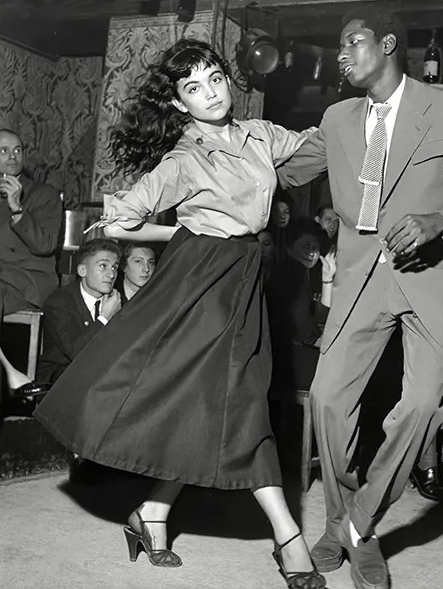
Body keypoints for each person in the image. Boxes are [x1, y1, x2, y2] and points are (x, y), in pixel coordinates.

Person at [34, 38, 325, 589]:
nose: (210, 93)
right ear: (178, 104)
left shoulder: (260, 135)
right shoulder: (184, 159)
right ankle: (289, 537)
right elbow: (119, 221)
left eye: (214, 78)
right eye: (193, 88)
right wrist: (188, 232)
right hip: (200, 280)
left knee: (209, 404)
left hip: (243, 278)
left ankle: (153, 513)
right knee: (237, 405)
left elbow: (317, 149)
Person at [277, 7, 443, 589]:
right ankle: (346, 522)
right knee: (328, 402)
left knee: (419, 407)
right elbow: (283, 170)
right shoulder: (336, 118)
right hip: (361, 282)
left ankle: (357, 524)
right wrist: (220, 144)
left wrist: (442, 220)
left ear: (388, 45)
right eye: (338, 47)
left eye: (351, 42)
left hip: (433, 278)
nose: (341, 54)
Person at [0, 129, 62, 396]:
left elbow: (45, 245)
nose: (12, 156)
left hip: (26, 280)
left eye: (18, 150)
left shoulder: (43, 195)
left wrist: (17, 208)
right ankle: (7, 372)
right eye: (3, 150)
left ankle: (6, 373)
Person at [37, 239, 122, 386]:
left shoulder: (118, 301)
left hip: (101, 376)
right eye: (103, 266)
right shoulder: (59, 302)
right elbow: (76, 352)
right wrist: (104, 318)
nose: (111, 274)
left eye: (114, 267)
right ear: (82, 271)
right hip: (60, 379)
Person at [269, 218, 337, 391]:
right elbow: (304, 333)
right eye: (305, 246)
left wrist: (327, 279)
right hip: (286, 360)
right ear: (290, 247)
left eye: (315, 247)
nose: (312, 253)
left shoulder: (300, 272)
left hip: (286, 356)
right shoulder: (292, 275)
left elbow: (319, 315)